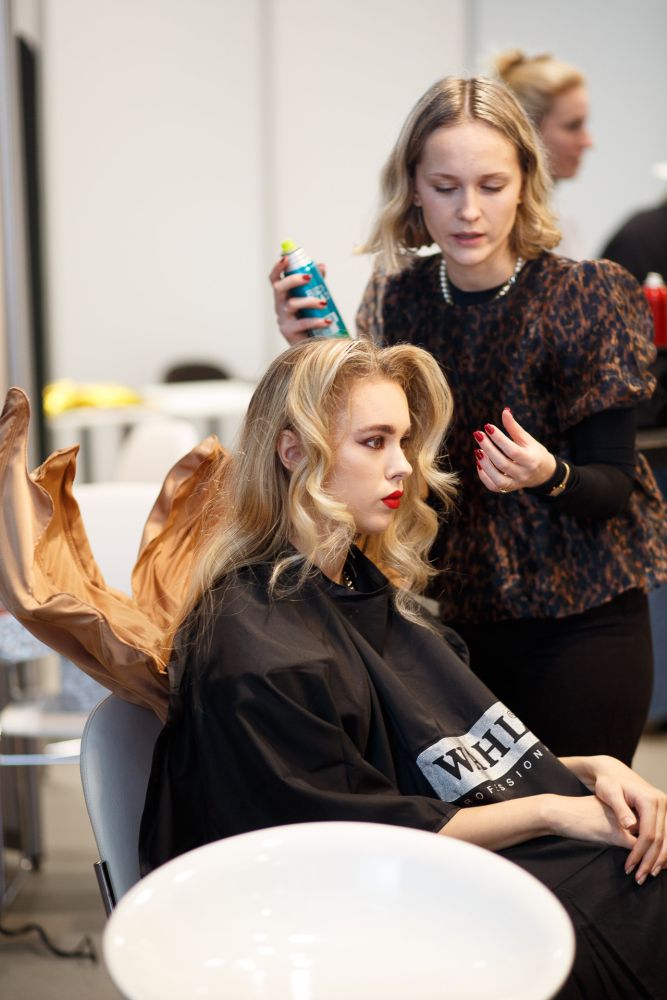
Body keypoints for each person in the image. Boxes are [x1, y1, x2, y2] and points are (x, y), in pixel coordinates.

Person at [139, 337, 667, 998]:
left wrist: (591, 769)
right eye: (374, 442)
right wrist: (551, 812)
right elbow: (350, 836)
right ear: (293, 450)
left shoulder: (362, 588)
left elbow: (436, 766)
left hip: (449, 875)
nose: (402, 467)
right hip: (367, 918)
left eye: (405, 442)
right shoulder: (254, 648)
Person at [270, 76, 667, 766]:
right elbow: (365, 456)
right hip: (444, 627)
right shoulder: (397, 300)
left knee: (579, 822)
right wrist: (311, 353)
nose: (468, 211)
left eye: (491, 185)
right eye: (445, 186)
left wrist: (548, 475)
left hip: (580, 628)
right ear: (413, 189)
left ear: (525, 183)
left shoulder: (588, 294)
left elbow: (612, 488)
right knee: (471, 824)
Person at [495, 50, 593, 259]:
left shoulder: (564, 225)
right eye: (573, 126)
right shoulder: (498, 233)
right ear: (529, 132)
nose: (587, 142)